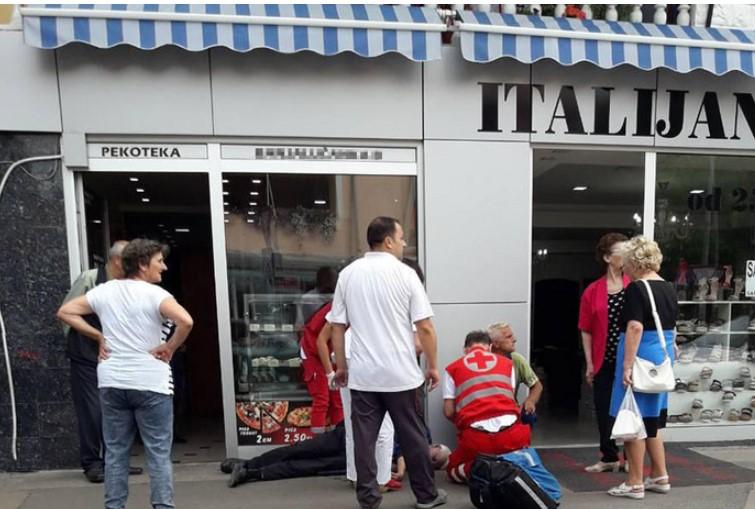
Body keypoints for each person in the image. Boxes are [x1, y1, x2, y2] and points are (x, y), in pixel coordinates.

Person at [57, 239, 194, 509]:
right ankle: (163, 507)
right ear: (143, 265)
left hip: (113, 381)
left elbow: (65, 311)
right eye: (159, 262)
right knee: (157, 454)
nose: (164, 267)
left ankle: (114, 506)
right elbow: (186, 321)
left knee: (116, 452)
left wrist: (98, 336)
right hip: (151, 382)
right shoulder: (156, 295)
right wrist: (170, 347)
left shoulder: (105, 291)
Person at [329, 216, 447, 509]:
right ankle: (426, 496)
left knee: (364, 440)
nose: (404, 243)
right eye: (402, 238)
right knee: (414, 438)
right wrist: (433, 365)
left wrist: (341, 366)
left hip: (364, 375)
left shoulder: (348, 274)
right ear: (389, 241)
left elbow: (337, 326)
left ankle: (369, 499)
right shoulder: (405, 274)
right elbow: (426, 328)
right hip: (401, 375)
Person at [59, 240, 143, 483]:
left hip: (117, 357)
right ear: (117, 260)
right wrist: (95, 337)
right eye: (131, 259)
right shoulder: (91, 279)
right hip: (87, 356)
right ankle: (92, 463)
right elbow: (67, 314)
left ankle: (116, 462)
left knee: (117, 411)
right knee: (92, 411)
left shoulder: (128, 284)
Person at [607, 236, 677, 500]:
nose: (622, 267)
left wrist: (626, 365)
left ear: (634, 262)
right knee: (652, 420)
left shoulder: (637, 288)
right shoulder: (668, 287)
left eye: (624, 262)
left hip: (640, 355)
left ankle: (634, 482)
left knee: (632, 417)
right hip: (661, 355)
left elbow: (635, 326)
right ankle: (660, 475)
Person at [222, 423, 450, 487]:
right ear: (435, 444)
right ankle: (246, 463)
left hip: (357, 456)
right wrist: (400, 469)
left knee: (306, 466)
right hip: (348, 437)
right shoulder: (422, 431)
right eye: (434, 457)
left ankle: (251, 473)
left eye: (433, 465)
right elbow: (400, 445)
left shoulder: (410, 465)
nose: (428, 461)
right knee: (299, 449)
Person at [318, 317, 397, 491]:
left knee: (352, 423)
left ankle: (356, 476)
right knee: (385, 425)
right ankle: (381, 479)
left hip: (347, 358)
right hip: (376, 359)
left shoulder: (346, 296)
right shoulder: (384, 297)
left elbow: (321, 340)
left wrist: (330, 373)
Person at [443, 330, 531, 484]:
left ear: (465, 350)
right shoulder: (507, 364)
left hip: (477, 439)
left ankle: (483, 470)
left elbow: (449, 411)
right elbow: (510, 398)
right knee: (519, 459)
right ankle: (508, 469)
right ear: (489, 347)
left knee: (452, 469)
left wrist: (464, 423)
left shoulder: (452, 369)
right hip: (512, 436)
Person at [578, 232, 630, 473]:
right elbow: (585, 329)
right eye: (622, 251)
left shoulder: (635, 285)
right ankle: (609, 456)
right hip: (603, 359)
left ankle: (630, 458)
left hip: (629, 358)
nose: (627, 255)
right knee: (603, 408)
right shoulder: (593, 291)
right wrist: (589, 363)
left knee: (630, 408)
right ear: (608, 257)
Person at [300, 300, 343, 434]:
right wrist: (330, 374)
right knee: (322, 398)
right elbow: (321, 342)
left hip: (331, 352)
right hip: (312, 351)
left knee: (337, 398)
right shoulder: (340, 309)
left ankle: (339, 438)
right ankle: (317, 443)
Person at [487, 322, 543, 416]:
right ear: (495, 343)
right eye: (508, 337)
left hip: (511, 414)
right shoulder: (483, 363)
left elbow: (537, 386)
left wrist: (530, 401)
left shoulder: (516, 360)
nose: (514, 340)